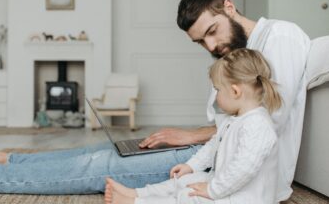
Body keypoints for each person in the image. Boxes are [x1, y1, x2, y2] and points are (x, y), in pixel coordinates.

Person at [0, 0, 310, 200]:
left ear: (229, 7)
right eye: (201, 41)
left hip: (230, 168)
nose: (211, 45)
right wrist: (189, 138)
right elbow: (228, 121)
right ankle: (2, 159)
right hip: (210, 150)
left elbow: (268, 121)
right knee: (103, 149)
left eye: (213, 31)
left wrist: (191, 136)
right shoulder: (234, 55)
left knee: (102, 166)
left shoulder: (281, 36)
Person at [104, 48, 282, 204]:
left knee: (189, 196)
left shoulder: (257, 125)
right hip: (223, 184)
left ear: (235, 91)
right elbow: (213, 146)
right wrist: (191, 166)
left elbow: (243, 169)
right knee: (184, 180)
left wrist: (212, 190)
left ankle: (136, 202)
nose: (216, 96)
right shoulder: (234, 118)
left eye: (217, 89)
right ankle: (136, 193)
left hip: (244, 199)